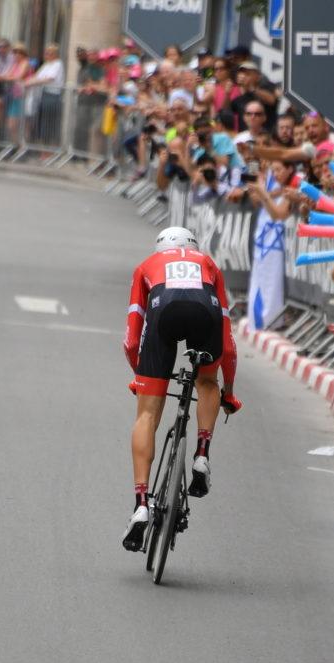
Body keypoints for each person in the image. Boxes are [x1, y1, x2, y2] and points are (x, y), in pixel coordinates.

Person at [121, 227, 241, 551]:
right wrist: (228, 390)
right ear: (194, 247)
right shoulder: (208, 264)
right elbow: (228, 345)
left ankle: (141, 504)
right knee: (206, 382)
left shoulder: (148, 265)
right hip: (206, 314)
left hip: (164, 312)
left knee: (147, 415)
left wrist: (141, 376)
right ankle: (202, 453)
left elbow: (132, 338)